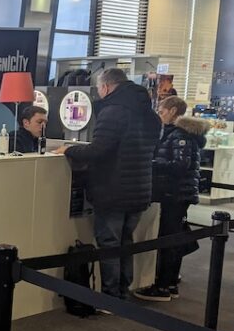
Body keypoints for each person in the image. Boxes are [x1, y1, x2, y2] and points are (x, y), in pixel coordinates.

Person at [55, 67, 161, 300]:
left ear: (106, 87)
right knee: (126, 242)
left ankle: (111, 296)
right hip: (139, 189)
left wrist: (69, 149)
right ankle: (123, 290)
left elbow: (99, 149)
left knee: (110, 244)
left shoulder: (114, 111)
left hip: (112, 190)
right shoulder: (149, 113)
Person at [134, 96, 210, 302]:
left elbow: (179, 165)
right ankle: (170, 281)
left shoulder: (179, 134)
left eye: (162, 110)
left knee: (168, 238)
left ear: (173, 110)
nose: (160, 114)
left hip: (175, 193)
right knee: (173, 236)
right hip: (176, 193)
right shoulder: (176, 133)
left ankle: (163, 286)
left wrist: (152, 162)